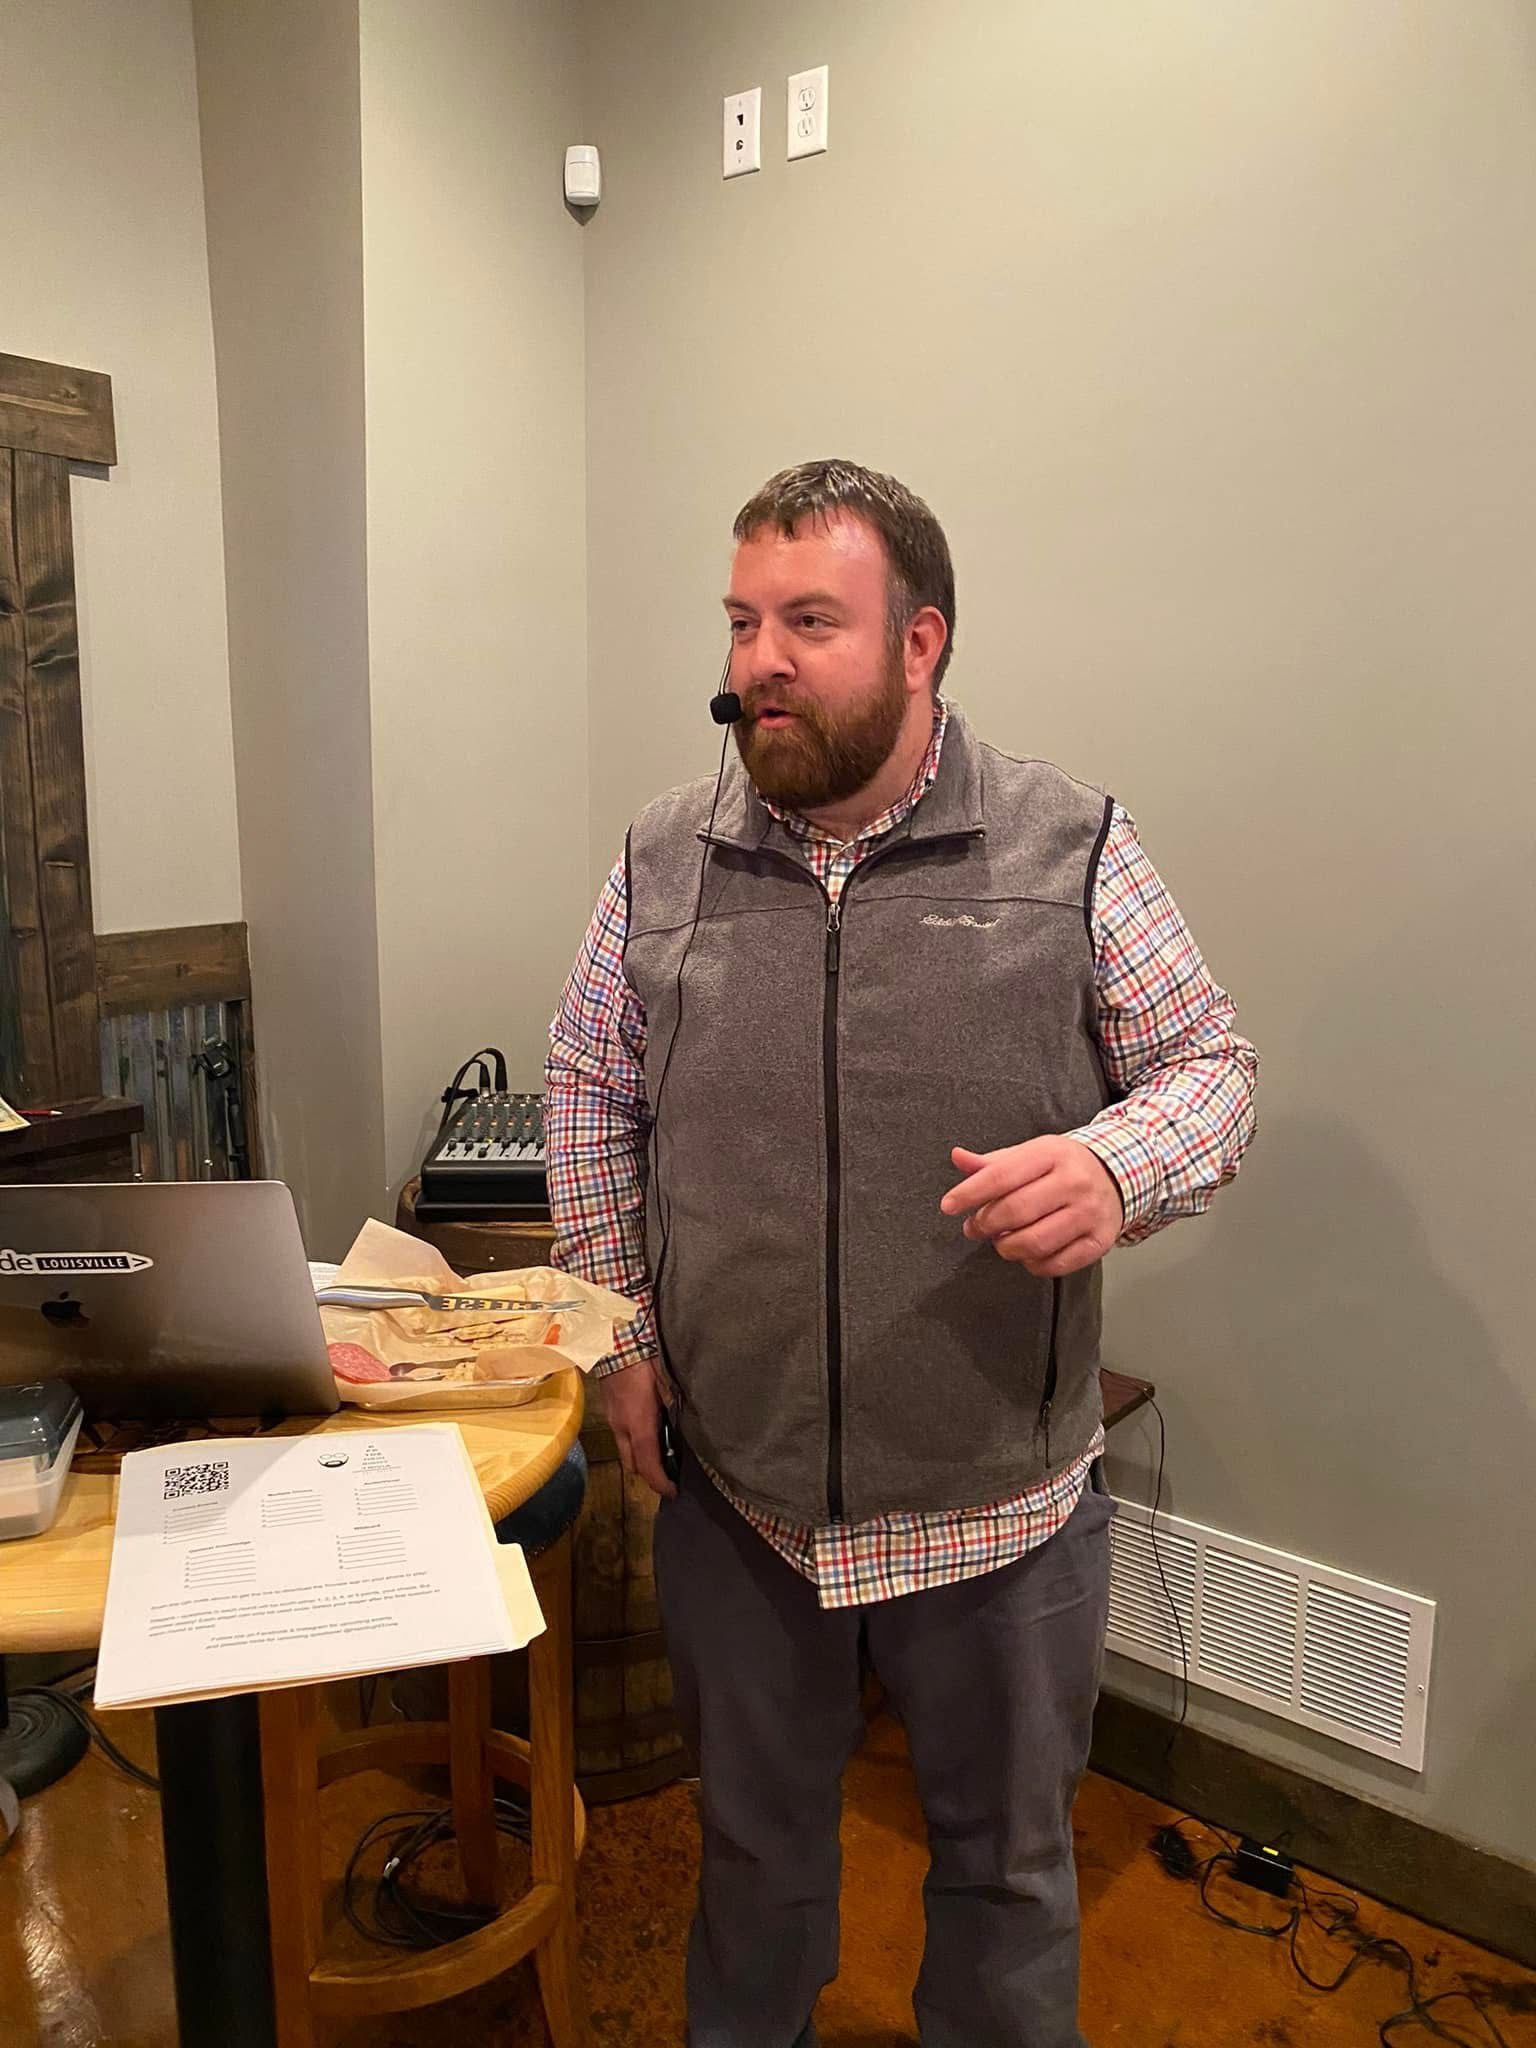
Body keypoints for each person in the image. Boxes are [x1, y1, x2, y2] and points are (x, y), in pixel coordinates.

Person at [546, 459, 1258, 2048]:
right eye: (742, 622)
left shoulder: (1069, 845)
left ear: (923, 642)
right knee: (751, 1864)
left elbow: (1213, 1068)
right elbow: (589, 1085)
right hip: (741, 1501)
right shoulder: (666, 859)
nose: (760, 662)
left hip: (998, 1513)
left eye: (810, 619)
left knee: (1006, 1885)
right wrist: (623, 1336)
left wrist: (1114, 1164)